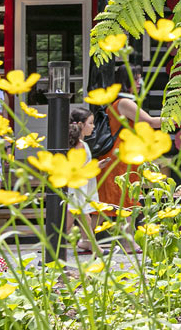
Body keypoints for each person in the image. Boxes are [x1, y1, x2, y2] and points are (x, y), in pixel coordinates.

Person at [100, 63, 161, 209]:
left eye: (140, 79)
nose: (139, 83)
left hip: (123, 161)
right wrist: (177, 119)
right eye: (135, 79)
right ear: (125, 80)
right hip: (119, 163)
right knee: (120, 206)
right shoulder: (124, 102)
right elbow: (150, 121)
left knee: (118, 207)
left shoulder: (118, 102)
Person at [66, 106, 98, 253]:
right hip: (77, 187)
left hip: (81, 186)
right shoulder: (80, 146)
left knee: (77, 219)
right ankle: (95, 248)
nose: (93, 126)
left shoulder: (81, 144)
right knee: (82, 218)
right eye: (90, 123)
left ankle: (88, 244)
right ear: (80, 125)